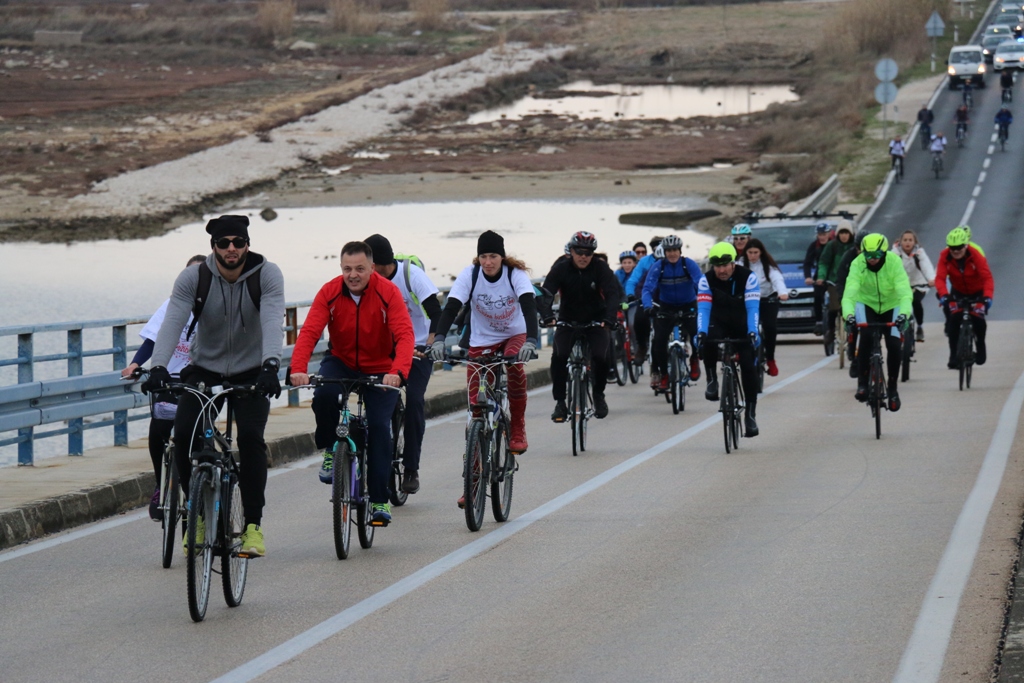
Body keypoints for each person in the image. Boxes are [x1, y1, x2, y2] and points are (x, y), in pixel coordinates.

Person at [142, 215, 285, 558]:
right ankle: (197, 517)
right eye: (224, 243)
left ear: (247, 244)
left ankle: (252, 527)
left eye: (238, 242)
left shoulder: (267, 274)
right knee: (184, 436)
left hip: (252, 372)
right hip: (205, 370)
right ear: (214, 247)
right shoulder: (195, 277)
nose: (231, 248)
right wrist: (158, 365)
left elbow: (272, 317)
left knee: (250, 440)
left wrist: (271, 364)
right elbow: (173, 320)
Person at [290, 241, 414, 527]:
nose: (353, 275)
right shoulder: (330, 291)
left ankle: (381, 500)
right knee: (323, 397)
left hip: (381, 367)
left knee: (381, 427)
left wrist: (397, 371)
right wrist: (297, 369)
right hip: (342, 360)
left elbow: (405, 335)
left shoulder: (388, 292)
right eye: (347, 269)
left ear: (372, 267)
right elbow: (309, 332)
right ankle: (331, 449)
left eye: (360, 268)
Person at [430, 230, 538, 458]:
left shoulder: (514, 274)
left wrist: (531, 340)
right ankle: (473, 482)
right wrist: (439, 338)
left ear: (502, 257)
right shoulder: (470, 274)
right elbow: (451, 307)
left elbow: (529, 306)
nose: (488, 262)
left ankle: (517, 428)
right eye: (483, 257)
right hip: (482, 340)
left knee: (514, 363)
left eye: (493, 256)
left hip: (514, 335)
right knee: (475, 408)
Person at [122, 254, 206, 521]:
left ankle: (201, 483)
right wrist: (135, 364)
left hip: (200, 379)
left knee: (196, 434)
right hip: (167, 376)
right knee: (159, 428)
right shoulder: (173, 304)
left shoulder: (215, 306)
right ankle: (161, 485)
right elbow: (152, 340)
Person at [363, 234, 441, 496]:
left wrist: (429, 345)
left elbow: (436, 313)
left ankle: (411, 468)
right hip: (386, 350)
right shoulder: (367, 279)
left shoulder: (411, 275)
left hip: (417, 348)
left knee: (415, 401)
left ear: (378, 264)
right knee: (376, 402)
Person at [538, 231, 620, 421]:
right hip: (568, 319)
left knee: (601, 355)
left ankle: (598, 395)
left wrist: (609, 319)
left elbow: (612, 294)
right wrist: (547, 315)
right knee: (559, 356)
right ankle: (560, 402)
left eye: (588, 253)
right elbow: (546, 293)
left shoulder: (600, 268)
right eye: (579, 252)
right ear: (571, 251)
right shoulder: (561, 268)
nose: (583, 256)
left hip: (596, 320)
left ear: (593, 254)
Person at [695, 242, 761, 437]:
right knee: (706, 338)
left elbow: (752, 308)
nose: (721, 270)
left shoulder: (748, 277)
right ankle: (712, 378)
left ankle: (750, 414)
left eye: (725, 265)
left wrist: (752, 331)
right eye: (717, 266)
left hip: (742, 324)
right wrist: (701, 332)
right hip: (718, 322)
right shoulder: (706, 280)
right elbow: (704, 310)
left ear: (733, 263)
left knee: (749, 366)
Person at [841, 233, 912, 412]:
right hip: (867, 304)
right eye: (868, 255)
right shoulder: (858, 264)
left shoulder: (894, 262)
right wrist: (848, 316)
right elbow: (849, 295)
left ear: (884, 252)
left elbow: (904, 293)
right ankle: (863, 383)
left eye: (876, 255)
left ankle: (893, 389)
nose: (872, 259)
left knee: (894, 345)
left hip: (892, 305)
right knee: (864, 335)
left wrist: (903, 315)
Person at [641, 233, 702, 391]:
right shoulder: (659, 266)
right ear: (665, 252)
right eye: (669, 250)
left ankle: (695, 359)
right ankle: (664, 374)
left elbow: (700, 284)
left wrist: (703, 302)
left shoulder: (688, 264)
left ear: (680, 251)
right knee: (659, 342)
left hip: (688, 304)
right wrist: (648, 306)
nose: (672, 253)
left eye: (675, 250)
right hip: (666, 307)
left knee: (697, 334)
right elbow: (647, 288)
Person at [935, 227, 994, 369]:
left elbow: (987, 278)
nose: (955, 251)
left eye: (959, 247)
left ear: (966, 245)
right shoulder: (944, 255)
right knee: (953, 321)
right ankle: (953, 355)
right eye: (952, 248)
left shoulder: (975, 255)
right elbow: (940, 278)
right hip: (958, 290)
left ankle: (980, 345)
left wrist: (987, 297)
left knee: (979, 320)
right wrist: (944, 296)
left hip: (977, 291)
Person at [739, 238, 788, 377]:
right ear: (746, 252)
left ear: (761, 252)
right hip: (748, 301)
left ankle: (770, 359)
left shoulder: (768, 266)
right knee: (741, 325)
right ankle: (739, 351)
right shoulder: (740, 265)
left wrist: (782, 292)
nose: (753, 256)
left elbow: (777, 279)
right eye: (750, 252)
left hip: (767, 299)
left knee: (770, 327)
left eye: (756, 252)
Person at [624, 236, 664, 363]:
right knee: (639, 320)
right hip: (647, 297)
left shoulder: (674, 261)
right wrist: (630, 294)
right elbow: (633, 280)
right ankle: (642, 346)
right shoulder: (644, 262)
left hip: (666, 298)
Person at [816, 220, 856, 347]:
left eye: (846, 233)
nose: (844, 236)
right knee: (834, 308)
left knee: (852, 310)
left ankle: (853, 335)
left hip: (852, 282)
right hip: (834, 282)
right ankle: (831, 330)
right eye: (842, 233)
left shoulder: (855, 248)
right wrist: (821, 277)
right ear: (838, 234)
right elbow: (824, 262)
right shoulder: (831, 246)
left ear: (851, 234)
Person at [892, 230, 935, 343]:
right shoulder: (895, 253)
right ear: (900, 241)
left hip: (918, 284)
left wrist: (931, 279)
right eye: (905, 240)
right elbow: (889, 268)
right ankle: (897, 330)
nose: (907, 242)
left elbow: (926, 265)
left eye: (910, 240)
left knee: (916, 302)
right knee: (897, 306)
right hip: (900, 286)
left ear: (914, 242)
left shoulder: (919, 253)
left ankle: (920, 326)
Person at [836, 229, 869, 377]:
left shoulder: (876, 258)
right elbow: (841, 281)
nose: (861, 253)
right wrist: (845, 300)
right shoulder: (848, 257)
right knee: (854, 323)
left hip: (872, 299)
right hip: (853, 297)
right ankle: (853, 352)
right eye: (858, 249)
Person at [804, 222, 832, 335]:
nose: (822, 237)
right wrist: (808, 277)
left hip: (833, 276)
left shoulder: (833, 245)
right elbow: (807, 263)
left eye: (824, 234)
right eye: (820, 234)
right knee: (817, 297)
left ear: (829, 234)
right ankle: (819, 322)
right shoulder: (814, 246)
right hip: (819, 277)